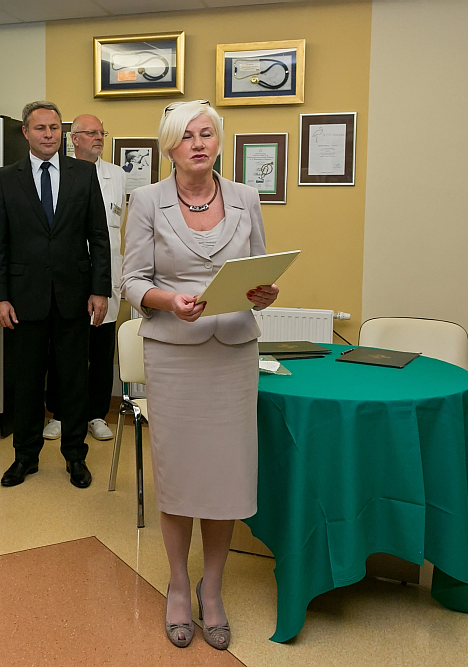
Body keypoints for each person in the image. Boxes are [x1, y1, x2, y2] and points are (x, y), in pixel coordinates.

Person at [121, 100, 279, 650]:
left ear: (218, 141)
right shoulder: (147, 201)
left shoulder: (246, 197)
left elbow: (260, 270)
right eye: (187, 135)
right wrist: (169, 299)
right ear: (170, 146)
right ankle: (177, 586)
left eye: (206, 134)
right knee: (181, 477)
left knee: (225, 478)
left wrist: (264, 293)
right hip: (175, 354)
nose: (198, 143)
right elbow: (131, 281)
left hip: (232, 352)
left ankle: (212, 588)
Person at [0, 101, 111, 489]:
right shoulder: (7, 177)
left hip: (75, 296)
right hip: (23, 300)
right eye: (40, 128)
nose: (48, 134)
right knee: (26, 383)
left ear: (62, 132)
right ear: (26, 132)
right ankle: (25, 457)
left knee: (73, 381)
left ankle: (75, 456)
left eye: (54, 128)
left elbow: (99, 237)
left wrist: (100, 289)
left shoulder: (84, 174)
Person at [43, 114, 126, 442]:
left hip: (106, 276)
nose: (99, 138)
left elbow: (114, 229)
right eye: (91, 133)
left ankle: (96, 414)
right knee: (63, 349)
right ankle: (60, 413)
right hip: (69, 278)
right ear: (74, 138)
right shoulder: (58, 172)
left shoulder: (117, 176)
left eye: (102, 132)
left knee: (101, 350)